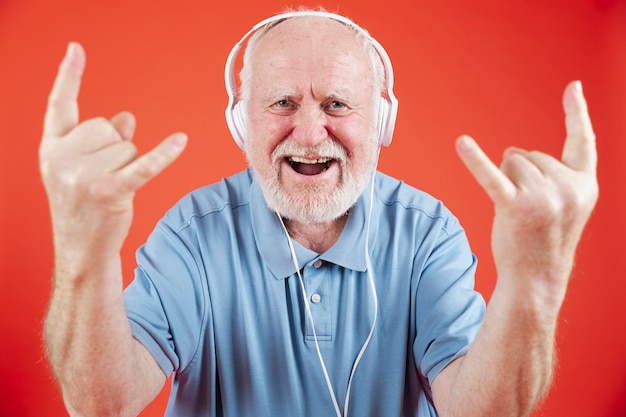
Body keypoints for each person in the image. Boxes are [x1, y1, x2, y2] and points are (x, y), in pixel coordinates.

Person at [39, 9, 598, 417]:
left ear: (380, 123)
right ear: (242, 123)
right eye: (282, 103)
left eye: (337, 104)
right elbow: (101, 404)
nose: (309, 134)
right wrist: (81, 251)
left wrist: (534, 282)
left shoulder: (428, 235)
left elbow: (483, 411)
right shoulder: (191, 237)